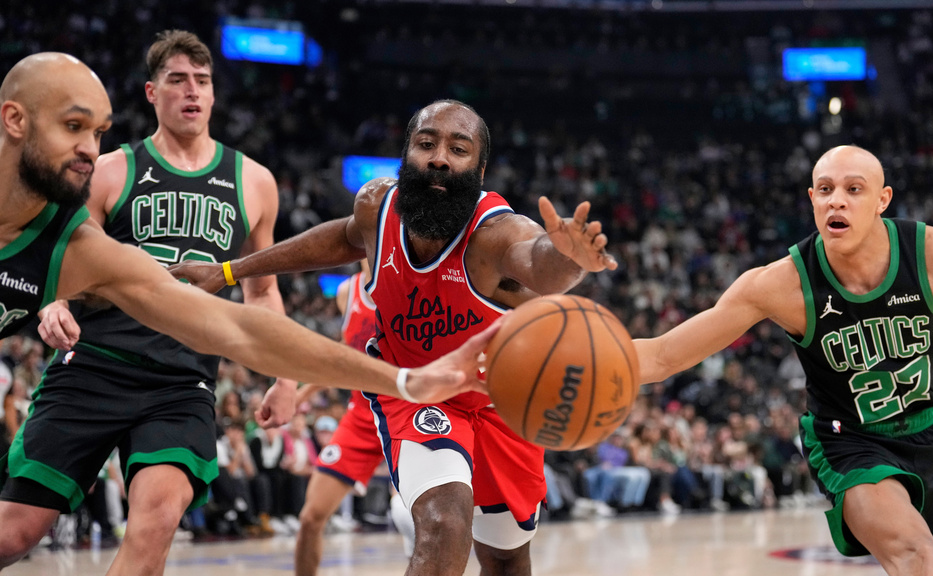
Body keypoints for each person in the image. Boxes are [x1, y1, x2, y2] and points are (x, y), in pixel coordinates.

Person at [0, 53, 494, 572]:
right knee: (14, 534)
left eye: (98, 132)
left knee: (158, 520)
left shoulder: (80, 246)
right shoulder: (112, 174)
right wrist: (54, 302)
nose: (87, 151)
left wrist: (405, 381)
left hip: (178, 381)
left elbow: (240, 326)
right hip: (94, 366)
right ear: (14, 120)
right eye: (74, 127)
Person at [170, 99, 616, 576]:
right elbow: (341, 239)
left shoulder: (496, 233)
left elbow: (540, 263)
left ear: (479, 169)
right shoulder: (376, 207)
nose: (439, 157)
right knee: (444, 524)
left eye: (458, 148)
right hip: (419, 392)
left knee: (506, 557)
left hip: (501, 397)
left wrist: (571, 260)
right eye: (426, 144)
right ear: (406, 156)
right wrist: (230, 270)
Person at [633, 145, 933, 576]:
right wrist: (560, 357)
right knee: (917, 556)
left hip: (931, 433)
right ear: (812, 199)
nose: (836, 199)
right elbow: (662, 356)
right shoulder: (781, 284)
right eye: (825, 189)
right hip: (849, 440)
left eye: (853, 189)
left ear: (883, 199)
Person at [293, 261, 415, 575]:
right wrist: (302, 394)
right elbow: (345, 354)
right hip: (361, 415)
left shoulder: (412, 283)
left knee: (409, 517)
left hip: (406, 413)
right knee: (310, 517)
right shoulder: (347, 292)